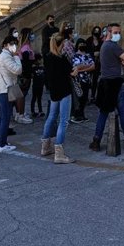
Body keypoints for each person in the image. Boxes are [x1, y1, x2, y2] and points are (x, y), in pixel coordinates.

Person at [89, 23, 124, 151]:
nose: (118, 35)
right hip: (116, 84)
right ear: (108, 33)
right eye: (115, 32)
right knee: (123, 114)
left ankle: (96, 140)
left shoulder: (104, 46)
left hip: (105, 83)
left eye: (119, 32)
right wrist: (123, 61)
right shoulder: (112, 46)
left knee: (103, 114)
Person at [41, 34, 76, 164]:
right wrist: (77, 69)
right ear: (60, 44)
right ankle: (59, 153)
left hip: (54, 91)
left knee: (51, 117)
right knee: (63, 121)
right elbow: (72, 72)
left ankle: (45, 146)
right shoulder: (61, 59)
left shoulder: (48, 57)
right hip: (64, 91)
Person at [0, 35, 22, 153]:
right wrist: (17, 58)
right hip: (4, 90)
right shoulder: (6, 56)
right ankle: (2, 144)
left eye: (15, 43)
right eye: (11, 43)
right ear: (5, 45)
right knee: (5, 117)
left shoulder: (5, 55)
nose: (14, 46)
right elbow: (17, 70)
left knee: (2, 116)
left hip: (2, 89)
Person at [70, 39, 94, 123]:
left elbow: (93, 66)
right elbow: (75, 67)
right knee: (78, 98)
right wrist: (85, 66)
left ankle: (82, 115)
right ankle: (75, 115)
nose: (82, 45)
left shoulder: (88, 55)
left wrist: (80, 68)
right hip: (77, 80)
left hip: (86, 80)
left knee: (84, 98)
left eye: (84, 43)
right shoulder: (74, 56)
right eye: (81, 43)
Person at [15, 27, 35, 124]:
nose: (32, 36)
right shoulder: (26, 49)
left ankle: (19, 113)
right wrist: (27, 76)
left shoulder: (24, 47)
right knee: (21, 95)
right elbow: (26, 63)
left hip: (23, 74)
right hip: (24, 75)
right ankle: (20, 114)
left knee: (21, 94)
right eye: (31, 34)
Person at [86, 25, 103, 103]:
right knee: (88, 80)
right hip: (90, 63)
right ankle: (86, 96)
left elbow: (103, 50)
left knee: (95, 80)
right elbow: (86, 51)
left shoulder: (101, 41)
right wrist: (93, 53)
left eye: (98, 31)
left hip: (97, 63)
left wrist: (99, 53)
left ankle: (93, 96)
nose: (96, 32)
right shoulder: (89, 40)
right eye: (95, 31)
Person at [31, 53, 45, 118]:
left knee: (39, 98)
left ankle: (40, 111)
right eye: (39, 60)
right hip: (35, 86)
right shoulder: (33, 68)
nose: (41, 61)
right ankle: (32, 111)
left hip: (41, 86)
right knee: (34, 98)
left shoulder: (43, 68)